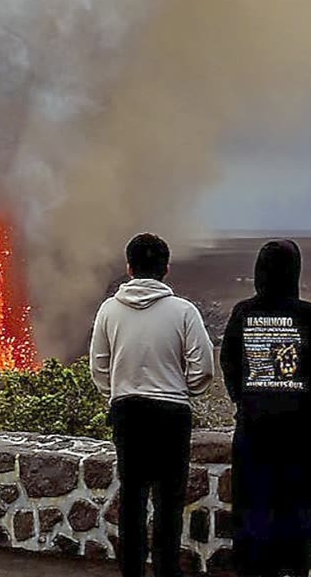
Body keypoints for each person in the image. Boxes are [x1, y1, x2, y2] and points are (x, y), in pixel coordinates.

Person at [90, 233, 215, 577]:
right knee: (169, 501)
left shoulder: (109, 310)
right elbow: (203, 367)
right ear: (166, 269)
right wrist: (184, 390)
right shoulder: (184, 312)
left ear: (129, 268)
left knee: (132, 497)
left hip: (128, 413)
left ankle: (131, 571)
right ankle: (165, 571)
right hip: (171, 414)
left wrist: (117, 391)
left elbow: (98, 365)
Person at [220, 240, 311, 577]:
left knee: (254, 512)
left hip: (254, 432)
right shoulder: (309, 315)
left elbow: (229, 362)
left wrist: (245, 402)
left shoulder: (244, 313)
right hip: (300, 436)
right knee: (297, 514)